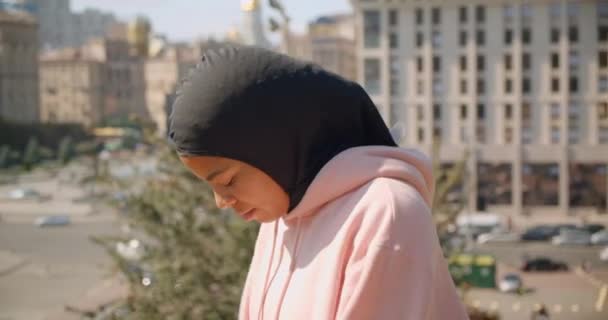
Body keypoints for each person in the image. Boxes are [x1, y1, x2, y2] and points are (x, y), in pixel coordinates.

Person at [168, 45, 469, 320]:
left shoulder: (386, 214)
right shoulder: (279, 217)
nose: (221, 201)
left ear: (275, 147)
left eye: (228, 181)